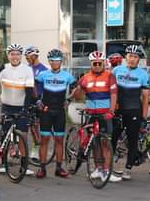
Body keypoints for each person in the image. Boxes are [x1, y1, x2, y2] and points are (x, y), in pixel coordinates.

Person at [71, 51, 121, 183]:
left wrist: (111, 111)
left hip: (105, 114)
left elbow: (114, 95)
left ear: (104, 63)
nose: (98, 65)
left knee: (105, 143)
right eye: (95, 63)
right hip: (91, 114)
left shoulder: (110, 76)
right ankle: (98, 168)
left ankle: (106, 171)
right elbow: (78, 95)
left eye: (100, 63)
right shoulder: (85, 77)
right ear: (91, 64)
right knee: (95, 144)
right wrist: (76, 92)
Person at [0, 43, 36, 175]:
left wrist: (25, 109)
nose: (15, 57)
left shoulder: (27, 70)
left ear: (21, 56)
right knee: (5, 136)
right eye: (12, 54)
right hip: (7, 107)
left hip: (21, 107)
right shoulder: (4, 68)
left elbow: (29, 92)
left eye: (18, 54)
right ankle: (4, 163)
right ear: (8, 55)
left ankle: (23, 166)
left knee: (23, 136)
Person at [34, 49, 75, 178]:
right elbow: (33, 86)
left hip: (59, 112)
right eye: (52, 60)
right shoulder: (43, 74)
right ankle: (42, 168)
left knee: (59, 139)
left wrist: (69, 99)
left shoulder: (67, 75)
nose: (55, 63)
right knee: (44, 139)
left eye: (57, 60)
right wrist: (37, 101)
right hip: (46, 111)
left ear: (60, 61)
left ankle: (58, 168)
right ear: (49, 61)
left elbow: (77, 87)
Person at [111, 45, 150, 180]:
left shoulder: (143, 74)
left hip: (134, 110)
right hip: (118, 109)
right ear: (125, 57)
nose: (132, 59)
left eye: (135, 57)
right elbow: (111, 91)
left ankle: (128, 169)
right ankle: (108, 167)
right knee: (113, 138)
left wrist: (144, 116)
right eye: (130, 56)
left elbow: (145, 98)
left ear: (138, 59)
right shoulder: (116, 70)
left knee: (132, 140)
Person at [25, 45, 48, 162]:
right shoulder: (26, 68)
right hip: (27, 99)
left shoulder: (43, 69)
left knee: (35, 127)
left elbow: (46, 87)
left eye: (28, 57)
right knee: (23, 125)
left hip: (39, 99)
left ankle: (35, 149)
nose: (26, 59)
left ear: (34, 55)